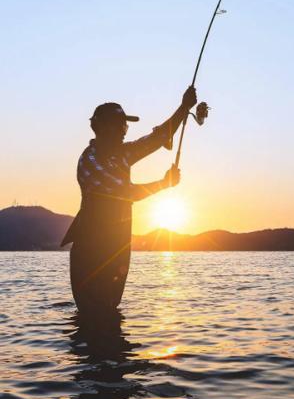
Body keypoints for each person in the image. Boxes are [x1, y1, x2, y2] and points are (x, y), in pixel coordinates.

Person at [61, 86, 198, 313]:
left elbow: (158, 137)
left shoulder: (123, 153)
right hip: (91, 251)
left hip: (118, 248)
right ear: (102, 128)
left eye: (125, 125)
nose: (125, 131)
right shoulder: (90, 161)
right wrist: (164, 184)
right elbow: (123, 193)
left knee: (109, 313)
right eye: (120, 125)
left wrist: (184, 108)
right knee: (93, 314)